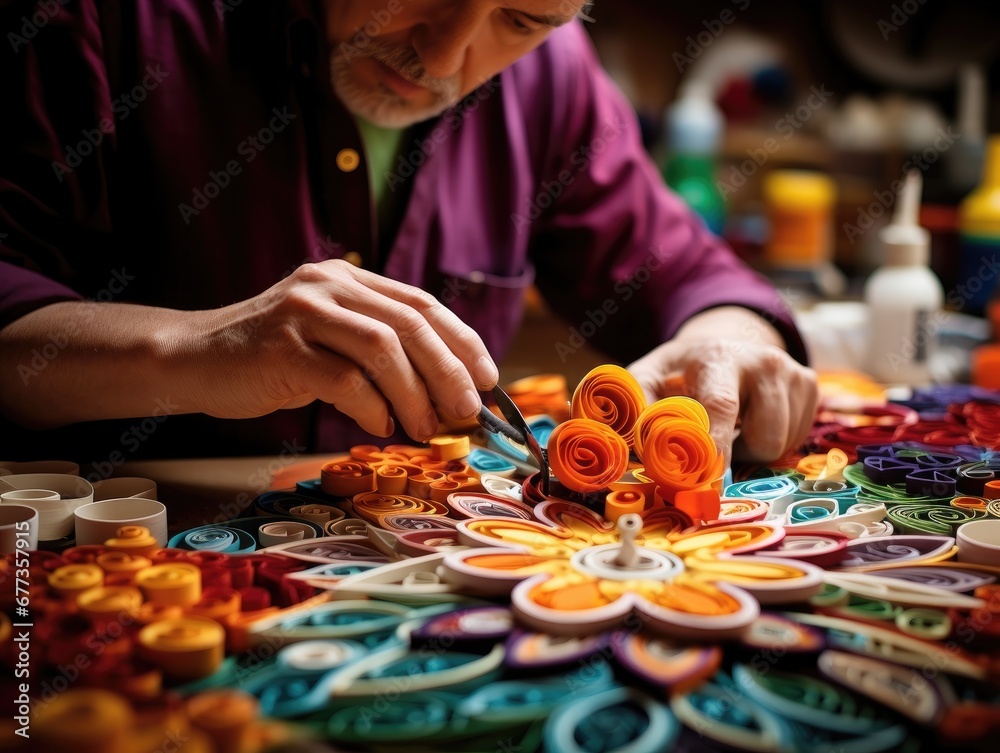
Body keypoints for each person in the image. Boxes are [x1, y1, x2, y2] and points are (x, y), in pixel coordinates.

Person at [0, 0, 818, 468]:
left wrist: (729, 338)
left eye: (523, 17)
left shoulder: (552, 71)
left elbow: (689, 278)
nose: (448, 53)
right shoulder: (103, 22)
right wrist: (191, 349)